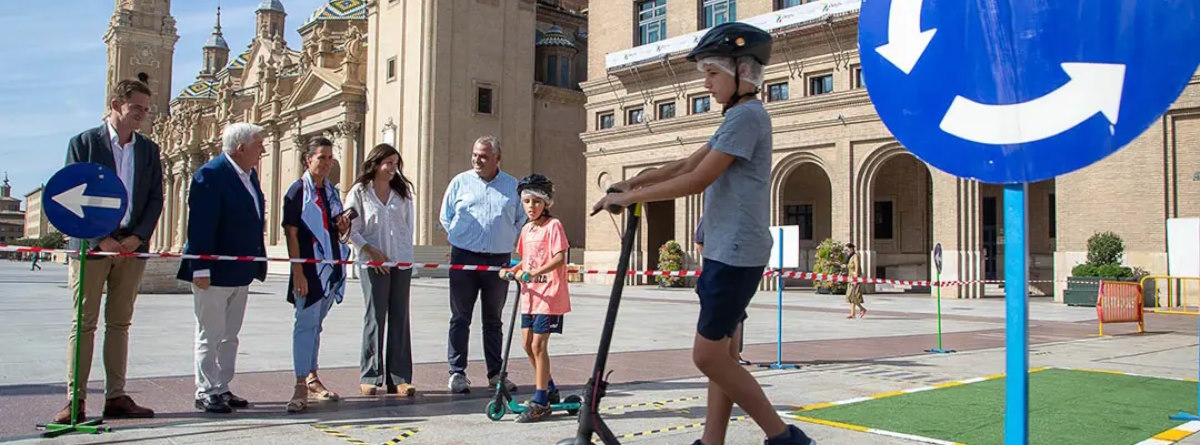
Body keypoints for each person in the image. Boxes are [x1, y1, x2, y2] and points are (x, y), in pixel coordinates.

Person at [591, 22, 815, 445]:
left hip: (733, 253)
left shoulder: (747, 117)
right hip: (727, 250)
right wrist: (632, 184)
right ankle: (712, 441)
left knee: (707, 356)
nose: (707, 83)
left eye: (712, 74)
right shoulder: (738, 116)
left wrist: (632, 199)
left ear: (741, 72)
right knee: (723, 357)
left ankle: (784, 437)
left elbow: (697, 181)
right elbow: (686, 165)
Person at [54, 79, 164, 424]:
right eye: (137, 109)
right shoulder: (84, 144)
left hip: (131, 248)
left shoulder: (149, 150)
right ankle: (76, 400)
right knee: (84, 323)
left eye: (146, 111)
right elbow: (69, 195)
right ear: (117, 104)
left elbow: (154, 199)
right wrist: (102, 239)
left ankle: (116, 396)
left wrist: (137, 238)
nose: (142, 117)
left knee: (120, 323)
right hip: (91, 246)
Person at [177, 122, 268, 414]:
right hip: (213, 273)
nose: (263, 150)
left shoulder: (249, 176)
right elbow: (201, 225)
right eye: (258, 144)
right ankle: (206, 389)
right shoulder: (211, 175)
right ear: (241, 148)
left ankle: (222, 386)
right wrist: (200, 267)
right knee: (210, 333)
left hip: (240, 271)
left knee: (230, 335)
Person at [440, 135, 525, 394]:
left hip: (498, 261)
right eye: (475, 154)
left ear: (497, 158)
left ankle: (495, 373)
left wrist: (504, 239)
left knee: (493, 319)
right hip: (464, 259)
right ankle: (457, 373)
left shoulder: (513, 186)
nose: (477, 159)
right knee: (460, 317)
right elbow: (446, 216)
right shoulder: (460, 182)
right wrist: (462, 237)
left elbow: (521, 220)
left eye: (484, 156)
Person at [282, 137, 351, 413]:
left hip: (330, 267)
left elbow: (335, 228)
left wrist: (342, 224)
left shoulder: (331, 193)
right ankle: (300, 384)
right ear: (307, 159)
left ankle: (312, 376)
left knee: (316, 326)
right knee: (305, 325)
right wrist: (298, 271)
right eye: (320, 157)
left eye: (329, 157)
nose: (326, 163)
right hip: (309, 269)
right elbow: (292, 232)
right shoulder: (298, 191)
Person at [345, 143, 418, 397]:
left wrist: (405, 259)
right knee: (375, 316)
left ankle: (399, 377)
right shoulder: (360, 192)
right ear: (376, 163)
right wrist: (372, 252)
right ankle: (370, 374)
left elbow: (408, 228)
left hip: (400, 262)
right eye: (388, 163)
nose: (392, 168)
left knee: (400, 317)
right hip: (373, 263)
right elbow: (350, 230)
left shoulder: (403, 193)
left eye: (396, 164)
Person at [498, 174, 571, 423]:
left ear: (547, 203)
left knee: (539, 346)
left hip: (549, 295)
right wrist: (511, 270)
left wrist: (534, 273)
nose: (531, 207)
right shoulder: (527, 229)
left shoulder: (554, 226)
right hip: (530, 296)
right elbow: (525, 261)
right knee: (527, 345)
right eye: (527, 201)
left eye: (536, 202)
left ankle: (540, 401)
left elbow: (560, 258)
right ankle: (549, 387)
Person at [696, 218, 750, 366]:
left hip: (737, 272)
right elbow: (699, 242)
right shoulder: (709, 217)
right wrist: (713, 261)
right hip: (718, 276)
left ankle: (733, 358)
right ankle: (730, 359)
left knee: (737, 317)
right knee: (709, 359)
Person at [845, 243, 866, 319]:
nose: (847, 251)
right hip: (850, 278)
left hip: (855, 278)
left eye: (847, 249)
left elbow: (856, 268)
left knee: (853, 295)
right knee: (850, 296)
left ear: (851, 249)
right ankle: (853, 313)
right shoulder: (849, 257)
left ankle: (862, 309)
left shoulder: (855, 256)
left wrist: (856, 279)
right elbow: (849, 267)